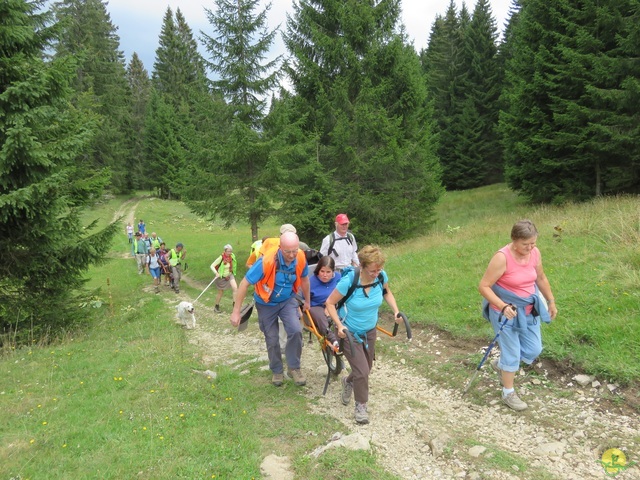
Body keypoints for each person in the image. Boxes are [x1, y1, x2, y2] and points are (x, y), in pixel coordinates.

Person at [478, 219, 558, 412]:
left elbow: (540, 277)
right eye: (525, 244)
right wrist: (502, 305)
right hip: (505, 312)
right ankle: (508, 392)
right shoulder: (502, 258)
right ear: (514, 240)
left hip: (530, 310)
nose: (530, 248)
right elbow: (483, 286)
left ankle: (503, 365)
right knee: (512, 352)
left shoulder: (534, 253)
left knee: (533, 349)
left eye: (533, 243)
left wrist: (551, 300)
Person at [325, 245, 401, 425]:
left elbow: (387, 292)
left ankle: (348, 381)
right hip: (349, 333)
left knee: (366, 369)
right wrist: (339, 325)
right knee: (362, 371)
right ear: (362, 266)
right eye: (373, 270)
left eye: (379, 269)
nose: (377, 273)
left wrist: (396, 311)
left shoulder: (381, 276)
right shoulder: (349, 281)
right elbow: (329, 303)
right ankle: (361, 406)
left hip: (370, 331)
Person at [230, 232, 311, 387]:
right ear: (280, 248)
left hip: (287, 300)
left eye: (295, 250)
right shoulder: (265, 261)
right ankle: (277, 370)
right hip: (266, 303)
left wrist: (307, 301)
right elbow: (244, 284)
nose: (292, 255)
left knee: (295, 330)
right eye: (288, 252)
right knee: (272, 338)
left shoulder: (300, 257)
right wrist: (236, 311)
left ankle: (294, 368)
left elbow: (305, 279)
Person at [308, 256, 342, 351]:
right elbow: (303, 299)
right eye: (322, 271)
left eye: (328, 272)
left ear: (333, 272)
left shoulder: (339, 278)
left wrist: (331, 305)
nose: (325, 275)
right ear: (318, 271)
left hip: (333, 303)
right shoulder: (311, 281)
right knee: (321, 317)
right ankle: (333, 339)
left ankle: (345, 335)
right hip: (316, 305)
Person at [210, 244, 238, 313]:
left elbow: (234, 264)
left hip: (229, 275)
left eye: (230, 251)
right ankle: (216, 306)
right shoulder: (221, 257)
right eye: (228, 251)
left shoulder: (232, 256)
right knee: (220, 292)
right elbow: (212, 266)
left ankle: (235, 306)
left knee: (235, 288)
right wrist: (216, 273)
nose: (229, 253)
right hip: (221, 277)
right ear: (224, 251)